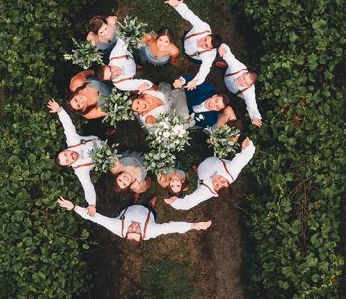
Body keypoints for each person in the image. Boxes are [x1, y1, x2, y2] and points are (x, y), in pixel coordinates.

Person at [58, 195, 212, 242]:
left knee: (130, 201)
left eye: (131, 230)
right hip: (147, 211)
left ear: (125, 234)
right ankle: (152, 199)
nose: (135, 227)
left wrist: (74, 207)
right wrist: (194, 226)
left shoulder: (117, 227)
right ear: (141, 237)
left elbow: (96, 218)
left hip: (127, 210)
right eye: (137, 231)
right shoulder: (151, 231)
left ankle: (133, 198)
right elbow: (172, 227)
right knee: (151, 203)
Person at [166, 137, 255, 210]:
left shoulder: (206, 191)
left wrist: (175, 202)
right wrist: (247, 146)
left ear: (214, 190)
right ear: (228, 182)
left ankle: (196, 170)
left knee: (201, 176)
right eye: (223, 182)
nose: (218, 180)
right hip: (213, 159)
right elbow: (245, 157)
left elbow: (189, 203)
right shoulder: (232, 170)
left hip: (202, 172)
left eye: (216, 185)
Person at [48, 99, 101, 213]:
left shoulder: (72, 141)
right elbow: (87, 186)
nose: (70, 156)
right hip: (108, 155)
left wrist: (59, 110)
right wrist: (92, 204)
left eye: (66, 154)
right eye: (67, 160)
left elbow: (67, 125)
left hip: (98, 137)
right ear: (69, 165)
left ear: (66, 149)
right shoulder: (80, 170)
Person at [165, 0, 221, 89]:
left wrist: (196, 81)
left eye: (206, 45)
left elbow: (204, 71)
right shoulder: (202, 27)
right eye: (205, 39)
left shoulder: (209, 56)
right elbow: (189, 15)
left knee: (191, 61)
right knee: (182, 42)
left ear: (210, 49)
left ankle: (183, 57)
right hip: (187, 38)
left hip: (193, 56)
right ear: (208, 34)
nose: (202, 43)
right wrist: (177, 5)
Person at [218, 43, 262, 126]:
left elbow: (252, 104)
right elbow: (228, 53)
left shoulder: (249, 90)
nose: (242, 82)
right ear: (243, 73)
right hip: (228, 76)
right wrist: (222, 49)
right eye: (243, 78)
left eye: (246, 83)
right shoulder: (237, 67)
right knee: (229, 64)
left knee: (245, 97)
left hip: (235, 91)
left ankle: (226, 66)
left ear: (249, 86)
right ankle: (225, 65)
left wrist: (255, 117)